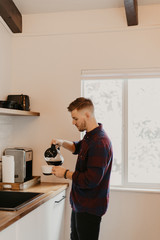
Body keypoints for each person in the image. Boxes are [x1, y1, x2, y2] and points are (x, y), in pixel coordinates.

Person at [51, 97, 113, 240]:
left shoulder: (100, 143)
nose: (73, 122)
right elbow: (79, 147)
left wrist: (65, 173)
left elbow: (91, 180)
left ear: (87, 114)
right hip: (80, 205)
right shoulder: (90, 137)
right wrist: (62, 142)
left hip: (89, 208)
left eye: (75, 118)